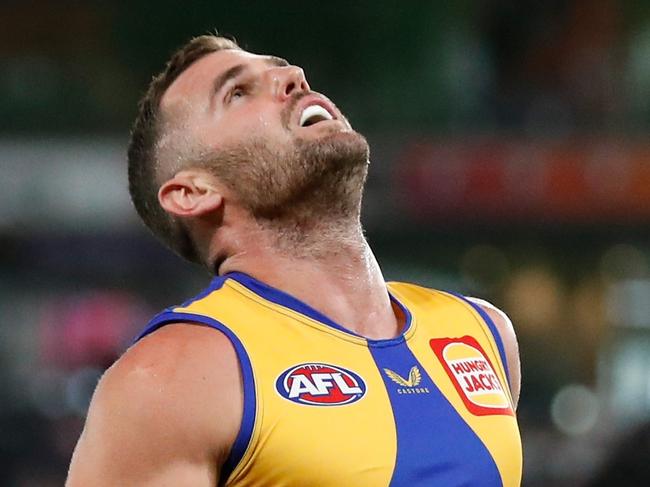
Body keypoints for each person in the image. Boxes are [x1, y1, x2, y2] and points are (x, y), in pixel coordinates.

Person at [66, 35, 522, 486]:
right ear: (193, 192)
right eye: (238, 92)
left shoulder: (483, 332)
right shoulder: (172, 378)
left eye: (280, 67)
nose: (293, 77)